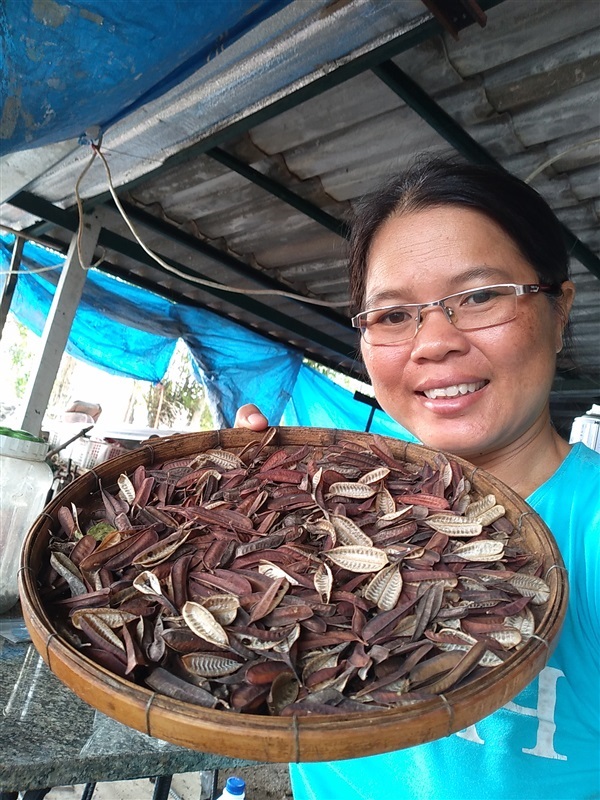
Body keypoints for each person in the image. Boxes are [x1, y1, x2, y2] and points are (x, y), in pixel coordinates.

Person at [235, 158, 600, 800]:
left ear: (559, 309)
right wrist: (239, 524)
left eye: (480, 296)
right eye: (393, 315)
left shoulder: (589, 532)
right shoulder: (328, 493)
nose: (433, 342)